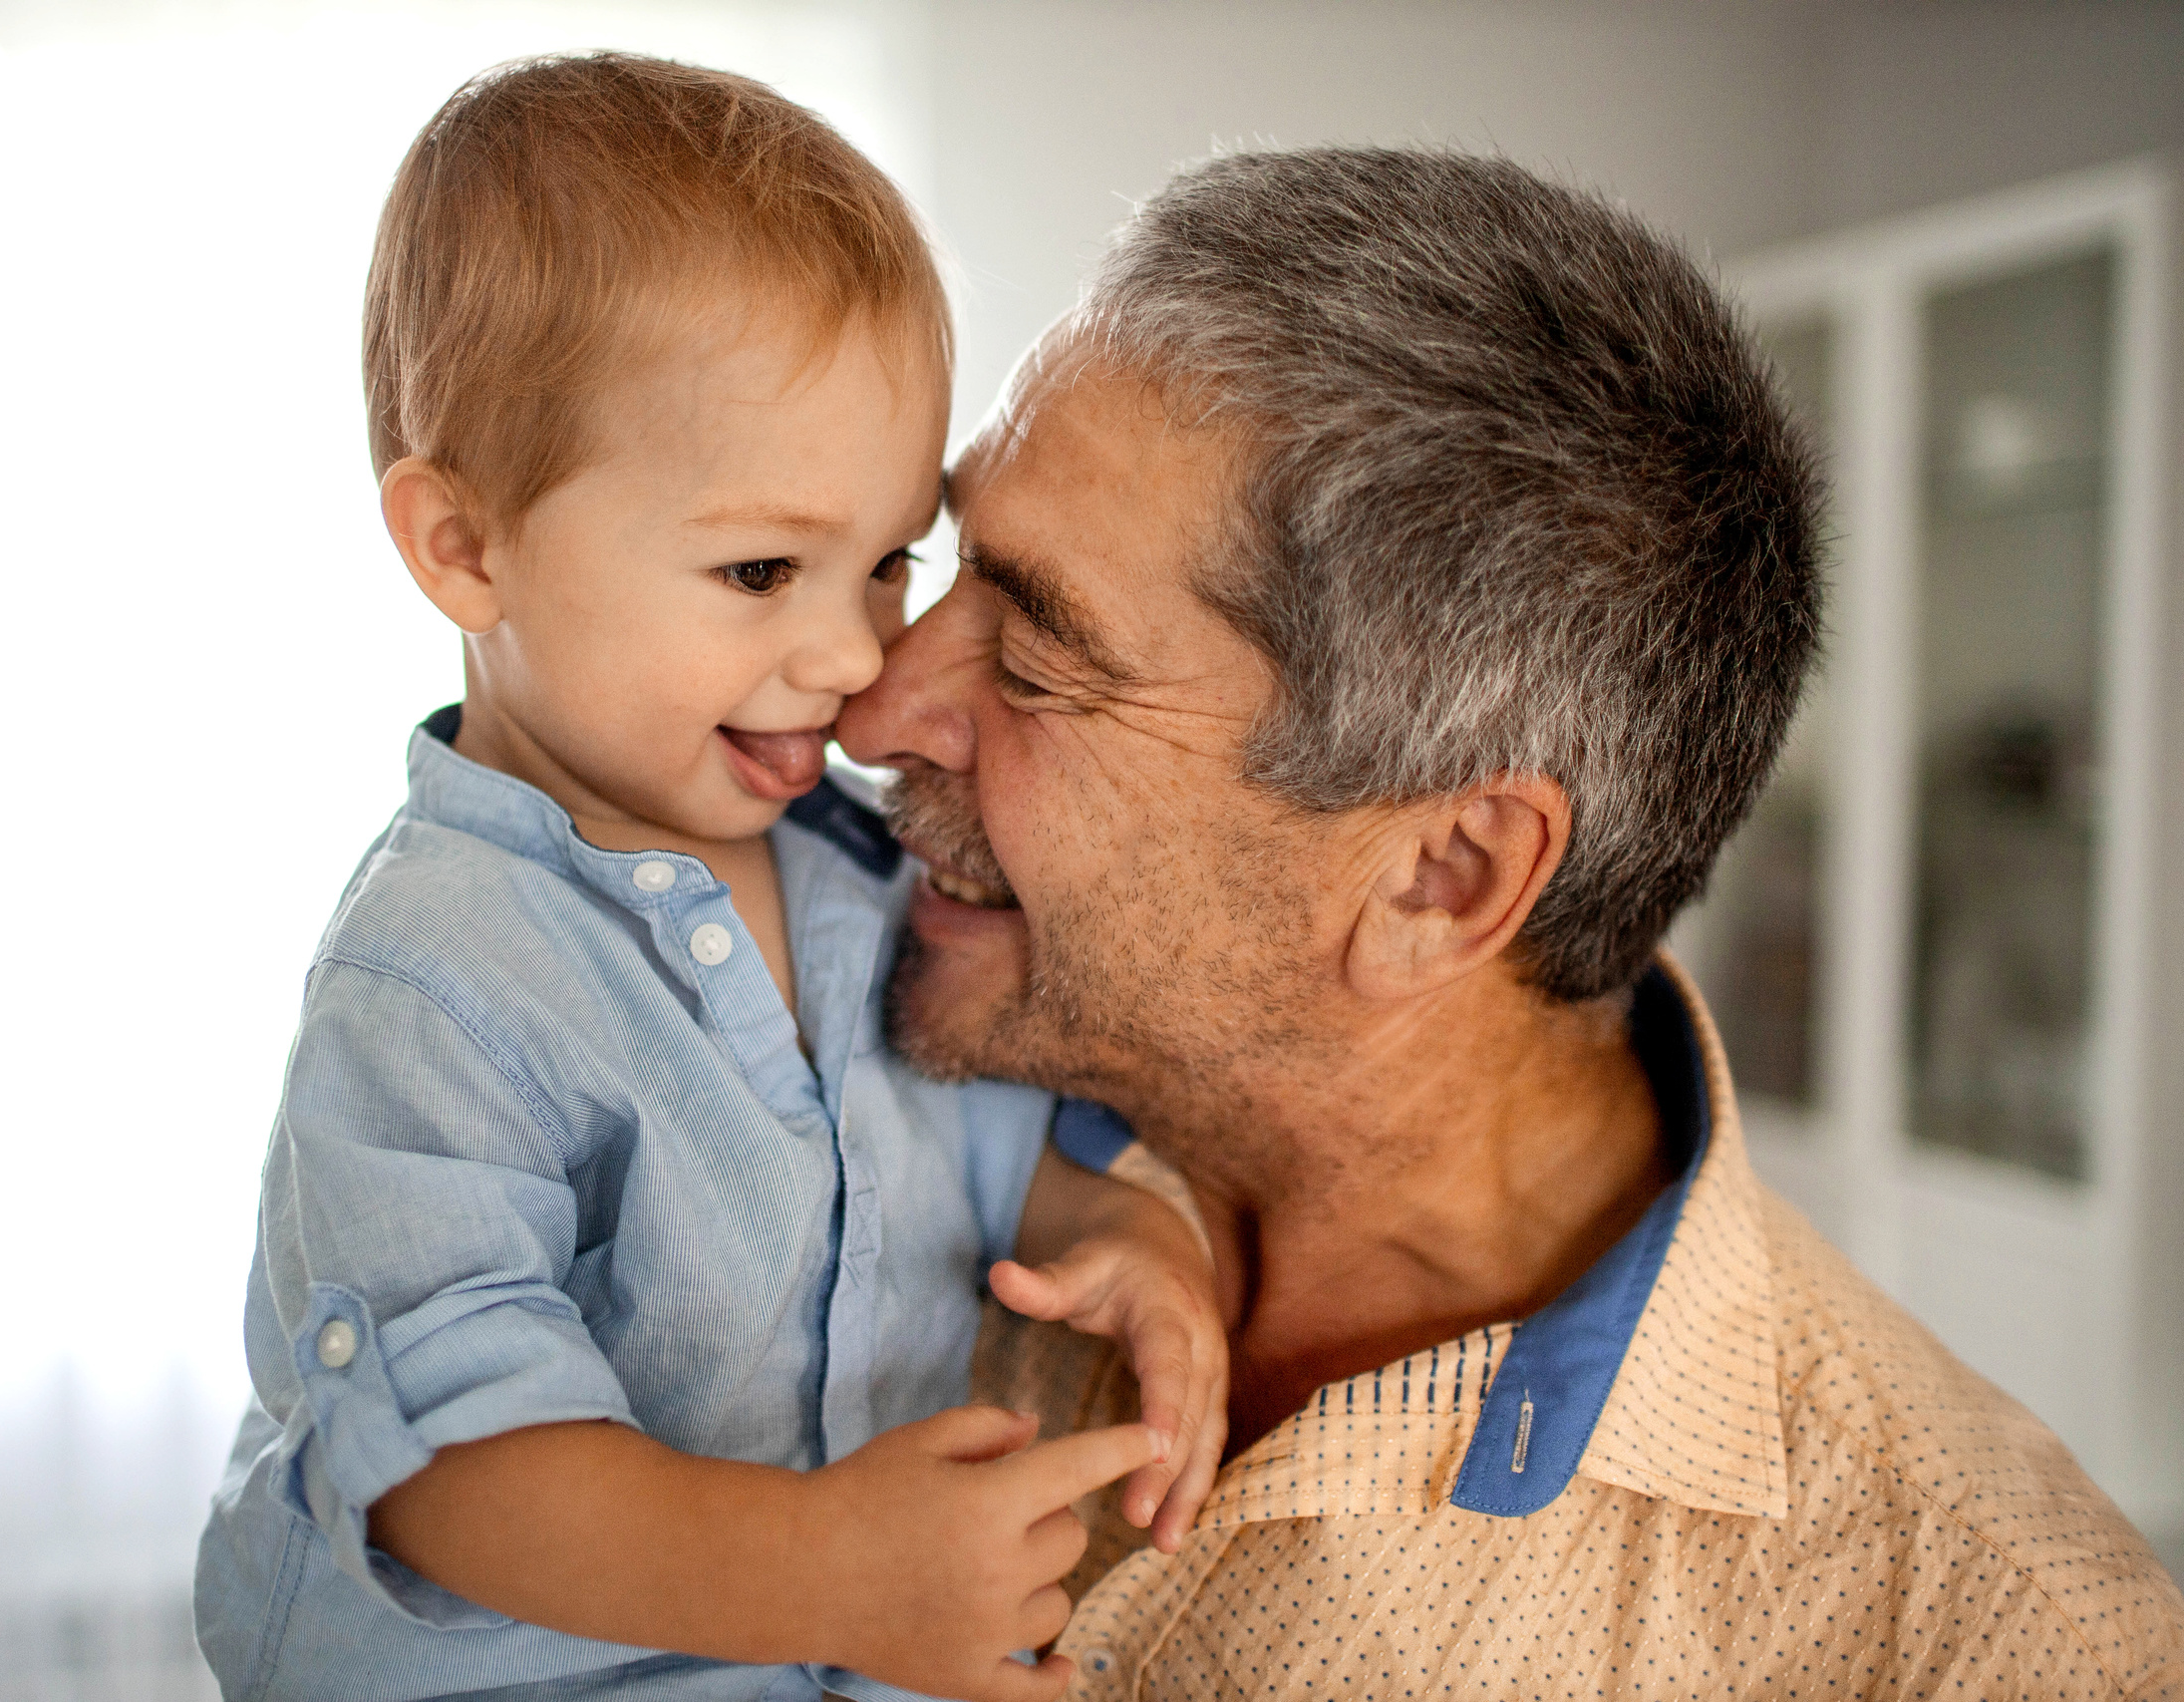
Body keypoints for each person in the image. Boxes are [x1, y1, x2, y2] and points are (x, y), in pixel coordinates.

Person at [838, 147, 2184, 1697]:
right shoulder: (776, 1014)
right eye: (935, 568)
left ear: (1442, 878)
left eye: (1035, 661)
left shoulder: (1976, 1639)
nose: (871, 706)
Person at [192, 55, 1229, 1702]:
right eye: (761, 570)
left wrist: (1128, 1237)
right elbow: (461, 1471)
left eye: (889, 559)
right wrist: (836, 1575)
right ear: (466, 548)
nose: (848, 655)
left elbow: (960, 1156)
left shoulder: (854, 867)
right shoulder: (440, 972)